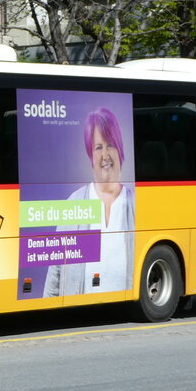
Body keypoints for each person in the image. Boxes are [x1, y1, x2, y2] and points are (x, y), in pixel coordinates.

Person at [43, 106, 135, 296]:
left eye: (111, 145)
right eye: (98, 147)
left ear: (120, 149)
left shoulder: (136, 204)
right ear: (90, 156)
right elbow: (55, 274)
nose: (105, 155)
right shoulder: (74, 203)